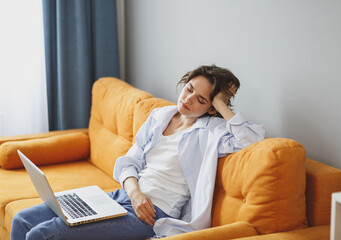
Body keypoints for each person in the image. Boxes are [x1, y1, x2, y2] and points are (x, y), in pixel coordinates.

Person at [11, 65, 265, 240]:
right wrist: (133, 192)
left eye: (201, 99)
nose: (188, 99)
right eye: (189, 89)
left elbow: (251, 138)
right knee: (22, 219)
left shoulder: (212, 131)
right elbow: (129, 161)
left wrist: (221, 102)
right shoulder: (160, 115)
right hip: (125, 196)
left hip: (153, 212)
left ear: (211, 108)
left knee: (41, 235)